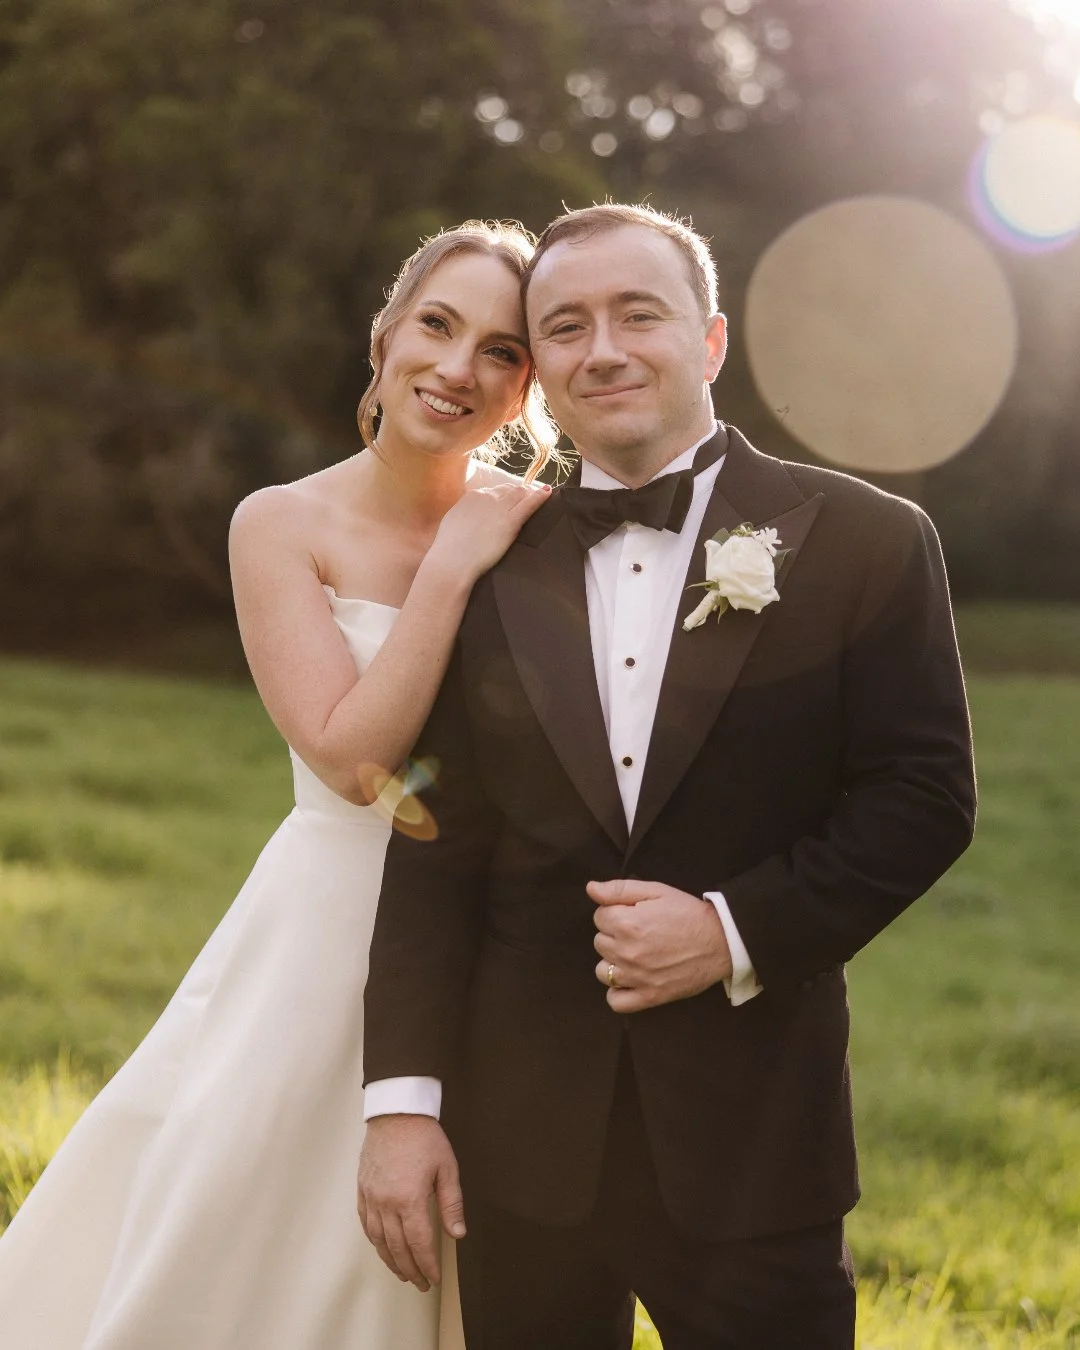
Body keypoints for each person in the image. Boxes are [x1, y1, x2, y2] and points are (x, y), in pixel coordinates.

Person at [357, 203, 977, 1350]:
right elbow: (434, 839)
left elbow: (922, 798)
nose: (604, 348)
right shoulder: (485, 566)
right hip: (520, 1147)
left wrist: (731, 932)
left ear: (709, 341)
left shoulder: (870, 541)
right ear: (537, 367)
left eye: (638, 314)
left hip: (755, 1144)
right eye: (566, 326)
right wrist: (401, 1106)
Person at [0, 220, 553, 1350]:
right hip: (322, 941)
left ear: (526, 384)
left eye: (501, 350)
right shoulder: (282, 522)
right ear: (385, 335)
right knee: (249, 1226)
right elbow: (352, 763)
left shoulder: (541, 533)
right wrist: (453, 567)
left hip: (492, 949)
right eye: (438, 326)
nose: (458, 368)